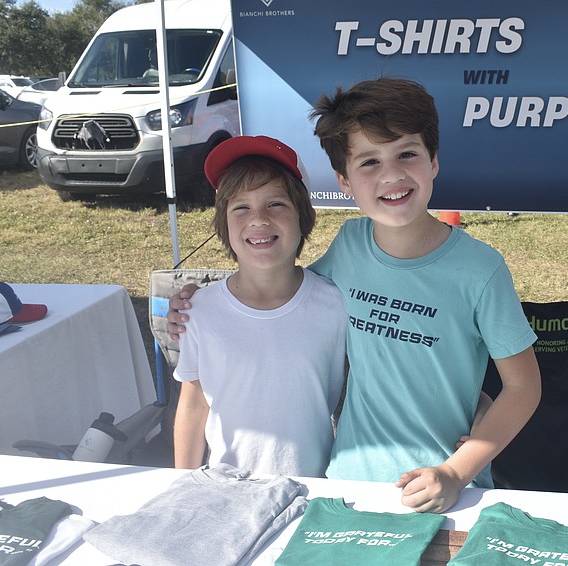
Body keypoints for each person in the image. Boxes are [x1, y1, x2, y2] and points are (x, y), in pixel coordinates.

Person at [169, 78, 541, 513]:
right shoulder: (349, 245)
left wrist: (458, 470)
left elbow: (524, 386)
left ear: (434, 160)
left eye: (407, 154)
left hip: (443, 489)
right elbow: (282, 286)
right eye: (369, 162)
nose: (392, 175)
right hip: (347, 483)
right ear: (344, 180)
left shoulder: (481, 269)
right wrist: (197, 302)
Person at [172, 135, 347, 478]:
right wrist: (182, 483)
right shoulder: (198, 310)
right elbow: (193, 405)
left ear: (303, 216)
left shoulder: (336, 304)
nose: (258, 219)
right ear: (223, 224)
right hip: (224, 487)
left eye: (275, 204)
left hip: (313, 488)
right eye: (241, 207)